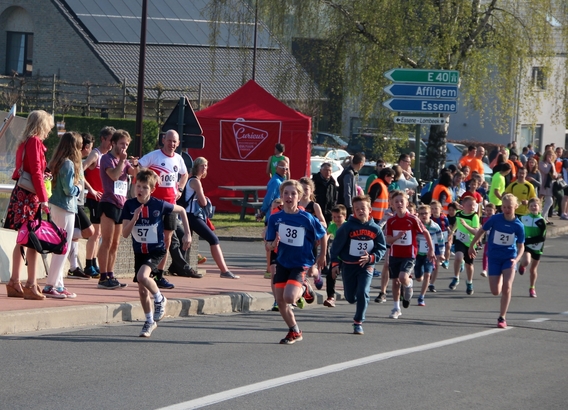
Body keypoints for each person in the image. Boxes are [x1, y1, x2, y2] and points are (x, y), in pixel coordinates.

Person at [121, 169, 191, 337]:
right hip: (140, 251)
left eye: (145, 187)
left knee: (143, 277)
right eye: (138, 186)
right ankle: (149, 321)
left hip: (156, 249)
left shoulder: (158, 204)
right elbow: (124, 233)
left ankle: (160, 299)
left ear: (151, 190)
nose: (140, 190)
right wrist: (134, 219)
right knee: (142, 289)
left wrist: (187, 233)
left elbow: (181, 210)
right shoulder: (129, 205)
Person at [265, 180, 327, 344]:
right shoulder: (275, 218)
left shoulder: (306, 218)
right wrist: (273, 244)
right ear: (281, 195)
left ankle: (305, 286)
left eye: (293, 193)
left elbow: (323, 233)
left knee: (290, 298)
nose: (289, 196)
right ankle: (295, 331)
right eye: (286, 193)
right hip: (283, 262)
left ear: (299, 197)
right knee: (280, 300)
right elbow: (268, 243)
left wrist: (322, 256)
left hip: (301, 262)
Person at [138, 129, 200, 287]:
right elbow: (138, 167)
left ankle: (159, 274)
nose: (171, 144)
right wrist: (151, 173)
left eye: (175, 142)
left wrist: (180, 188)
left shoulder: (179, 159)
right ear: (164, 140)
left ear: (178, 143)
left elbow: (185, 174)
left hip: (171, 205)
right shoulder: (154, 156)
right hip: (154, 203)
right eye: (169, 140)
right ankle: (145, 271)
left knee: (167, 239)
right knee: (152, 238)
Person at [4, 110, 54, 300]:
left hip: (22, 193)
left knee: (22, 238)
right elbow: (36, 172)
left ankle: (15, 281)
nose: (49, 131)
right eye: (48, 126)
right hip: (30, 197)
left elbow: (25, 169)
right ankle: (30, 283)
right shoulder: (35, 142)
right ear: (41, 125)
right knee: (33, 240)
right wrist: (43, 198)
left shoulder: (25, 142)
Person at [330, 195, 386, 334]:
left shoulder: (376, 229)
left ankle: (358, 321)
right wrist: (335, 263)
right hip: (349, 265)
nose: (360, 211)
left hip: (366, 266)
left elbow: (381, 248)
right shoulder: (347, 227)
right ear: (353, 211)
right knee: (350, 298)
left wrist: (372, 257)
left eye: (363, 208)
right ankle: (356, 299)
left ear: (370, 209)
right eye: (357, 209)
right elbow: (336, 246)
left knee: (363, 291)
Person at [469, 194, 525, 328]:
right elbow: (481, 230)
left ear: (516, 207)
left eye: (509, 207)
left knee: (507, 287)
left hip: (509, 258)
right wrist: (472, 245)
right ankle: (499, 278)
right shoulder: (495, 219)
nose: (506, 210)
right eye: (504, 207)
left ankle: (502, 317)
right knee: (495, 291)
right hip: (494, 258)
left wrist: (516, 259)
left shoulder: (518, 226)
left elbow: (521, 246)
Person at [40, 132, 84, 298]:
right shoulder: (68, 164)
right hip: (65, 207)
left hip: (56, 205)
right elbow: (69, 190)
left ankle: (58, 284)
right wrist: (79, 188)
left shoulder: (57, 161)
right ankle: (51, 284)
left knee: (59, 246)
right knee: (62, 247)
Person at [97, 129, 140, 289]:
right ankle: (102, 277)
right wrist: (122, 161)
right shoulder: (107, 159)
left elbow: (134, 174)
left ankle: (110, 274)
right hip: (108, 202)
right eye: (122, 143)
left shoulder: (125, 161)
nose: (124, 147)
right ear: (113, 143)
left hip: (121, 204)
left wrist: (135, 165)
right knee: (106, 241)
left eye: (127, 144)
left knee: (115, 243)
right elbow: (114, 176)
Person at [184, 157, 239, 279]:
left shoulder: (191, 178)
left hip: (189, 214)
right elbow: (203, 202)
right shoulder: (196, 181)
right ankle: (224, 271)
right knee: (213, 239)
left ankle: (183, 267)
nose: (204, 168)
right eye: (202, 165)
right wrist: (204, 200)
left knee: (187, 242)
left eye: (206, 166)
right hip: (192, 215)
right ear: (197, 166)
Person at [385, 190, 435, 319]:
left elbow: (425, 232)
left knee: (403, 277)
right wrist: (396, 237)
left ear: (407, 203)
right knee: (395, 282)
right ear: (392, 204)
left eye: (402, 201)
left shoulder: (412, 219)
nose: (399, 203)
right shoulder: (391, 221)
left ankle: (409, 285)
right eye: (396, 201)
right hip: (395, 254)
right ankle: (396, 308)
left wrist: (431, 249)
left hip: (409, 254)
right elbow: (388, 239)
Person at [83, 126, 114, 277]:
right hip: (94, 198)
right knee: (95, 233)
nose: (111, 145)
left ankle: (93, 262)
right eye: (109, 141)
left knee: (99, 234)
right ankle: (88, 264)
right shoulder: (95, 154)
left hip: (104, 199)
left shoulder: (108, 157)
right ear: (103, 139)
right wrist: (91, 190)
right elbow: (80, 170)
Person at [67, 133, 95, 280]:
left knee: (75, 238)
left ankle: (73, 268)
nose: (91, 151)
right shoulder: (73, 159)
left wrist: (90, 189)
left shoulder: (79, 160)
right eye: (90, 148)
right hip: (74, 202)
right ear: (85, 147)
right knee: (89, 231)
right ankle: (64, 235)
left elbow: (82, 179)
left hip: (80, 201)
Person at [414, 205, 445, 306]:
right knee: (419, 278)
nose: (424, 216)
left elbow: (441, 241)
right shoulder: (416, 225)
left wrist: (441, 254)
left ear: (430, 214)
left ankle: (421, 297)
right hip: (418, 254)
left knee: (427, 275)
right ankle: (419, 277)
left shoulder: (435, 227)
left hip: (430, 255)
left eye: (426, 213)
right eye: (421, 214)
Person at [449, 196, 480, 294]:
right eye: (470, 205)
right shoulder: (458, 214)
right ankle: (456, 277)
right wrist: (451, 232)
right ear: (463, 206)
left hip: (471, 243)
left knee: (469, 265)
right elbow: (457, 224)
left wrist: (466, 225)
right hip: (460, 240)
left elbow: (476, 232)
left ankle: (469, 282)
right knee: (458, 257)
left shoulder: (474, 216)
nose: (472, 207)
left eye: (474, 205)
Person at [518, 198, 546, 298]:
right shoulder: (523, 219)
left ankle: (532, 287)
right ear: (528, 208)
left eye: (536, 205)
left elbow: (542, 237)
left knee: (533, 269)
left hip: (538, 246)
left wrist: (529, 240)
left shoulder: (541, 221)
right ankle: (522, 264)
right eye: (531, 206)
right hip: (527, 245)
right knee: (526, 261)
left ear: (539, 207)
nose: (534, 207)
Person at [323, 204, 346, 307]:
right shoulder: (332, 226)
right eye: (334, 217)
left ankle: (351, 291)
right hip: (336, 255)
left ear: (344, 216)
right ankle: (330, 297)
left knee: (347, 275)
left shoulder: (347, 226)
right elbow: (326, 234)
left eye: (339, 217)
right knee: (330, 275)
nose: (336, 219)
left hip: (347, 256)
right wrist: (323, 241)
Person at [428, 200, 450, 291]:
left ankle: (432, 284)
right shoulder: (429, 219)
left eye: (436, 208)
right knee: (429, 263)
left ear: (440, 209)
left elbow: (447, 228)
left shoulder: (444, 218)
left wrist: (450, 235)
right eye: (432, 209)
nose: (434, 210)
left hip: (440, 243)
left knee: (436, 264)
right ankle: (428, 276)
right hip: (430, 243)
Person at [338, 152, 365, 217]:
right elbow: (347, 191)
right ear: (360, 163)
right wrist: (350, 207)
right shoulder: (349, 173)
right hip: (346, 207)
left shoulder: (349, 171)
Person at [538, 150, 557, 224]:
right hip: (543, 184)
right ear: (545, 156)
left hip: (549, 184)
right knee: (546, 201)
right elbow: (545, 171)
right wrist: (551, 164)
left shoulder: (552, 164)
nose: (550, 157)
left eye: (551, 156)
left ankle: (545, 217)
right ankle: (543, 217)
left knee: (549, 201)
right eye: (548, 155)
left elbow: (554, 173)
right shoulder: (541, 163)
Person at [480, 203, 497, 277]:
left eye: (491, 210)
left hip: (497, 241)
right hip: (488, 239)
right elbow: (483, 230)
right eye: (487, 210)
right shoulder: (485, 219)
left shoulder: (497, 219)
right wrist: (480, 239)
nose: (489, 212)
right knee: (485, 254)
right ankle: (484, 270)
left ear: (495, 211)